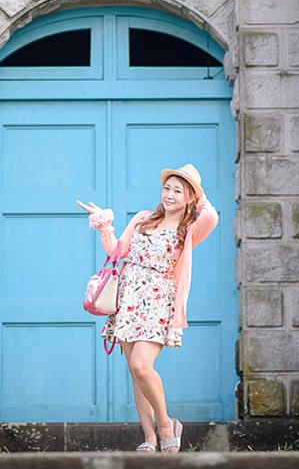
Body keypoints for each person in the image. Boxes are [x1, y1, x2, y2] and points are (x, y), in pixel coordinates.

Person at [77, 163, 218, 453]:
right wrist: (104, 225)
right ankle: (149, 437)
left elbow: (212, 217)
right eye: (167, 188)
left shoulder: (189, 229)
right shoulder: (143, 218)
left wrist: (198, 193)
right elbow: (117, 251)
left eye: (178, 190)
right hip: (128, 298)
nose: (169, 194)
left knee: (142, 366)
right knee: (135, 370)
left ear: (190, 197)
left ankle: (166, 423)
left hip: (158, 300)